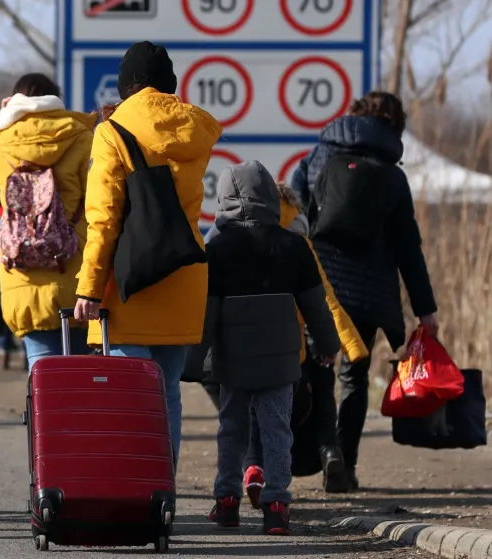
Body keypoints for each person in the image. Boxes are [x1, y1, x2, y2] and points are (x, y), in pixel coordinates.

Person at [73, 41, 222, 464]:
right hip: (184, 272)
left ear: (126, 86)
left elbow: (104, 220)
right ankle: (162, 492)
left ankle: (133, 491)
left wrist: (88, 289)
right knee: (168, 392)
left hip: (130, 282)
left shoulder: (113, 132)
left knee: (128, 396)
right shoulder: (195, 131)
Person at [290, 91, 438, 490]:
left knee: (318, 370)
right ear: (394, 129)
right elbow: (409, 246)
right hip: (368, 295)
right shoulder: (393, 175)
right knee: (353, 376)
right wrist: (426, 309)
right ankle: (346, 466)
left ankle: (325, 450)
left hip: (317, 288)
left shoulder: (316, 158)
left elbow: (291, 215)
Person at [185, 160, 340, 535]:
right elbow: (316, 306)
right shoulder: (294, 246)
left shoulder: (217, 249)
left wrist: (192, 363)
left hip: (232, 360)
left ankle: (226, 503)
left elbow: (206, 314)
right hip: (280, 360)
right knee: (277, 431)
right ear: (271, 196)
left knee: (232, 429)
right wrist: (328, 345)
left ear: (223, 198)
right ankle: (276, 506)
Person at [203, 182, 370, 499]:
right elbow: (325, 302)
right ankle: (294, 483)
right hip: (287, 349)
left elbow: (207, 300)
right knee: (282, 418)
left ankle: (245, 478)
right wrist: (344, 346)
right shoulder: (298, 243)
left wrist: (198, 355)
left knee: (238, 419)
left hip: (236, 348)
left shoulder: (227, 241)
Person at [0, 73, 96, 370]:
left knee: (43, 377)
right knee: (80, 377)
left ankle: (43, 417)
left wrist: (4, 119)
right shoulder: (82, 137)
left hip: (23, 272)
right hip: (73, 267)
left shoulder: (1, 142)